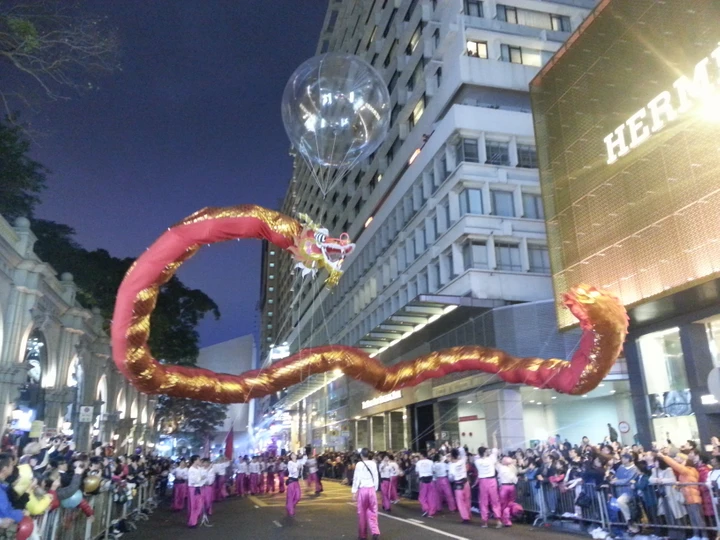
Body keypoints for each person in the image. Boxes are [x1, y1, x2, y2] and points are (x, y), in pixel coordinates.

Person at [474, 431, 501, 528]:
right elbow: (495, 447)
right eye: (487, 450)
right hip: (492, 481)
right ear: (485, 452)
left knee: (483, 502)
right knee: (495, 501)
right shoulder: (491, 458)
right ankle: (498, 520)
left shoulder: (477, 461)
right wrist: (493, 436)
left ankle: (484, 521)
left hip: (482, 482)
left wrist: (483, 447)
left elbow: (478, 454)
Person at [352, 448, 380, 540]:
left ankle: (363, 535)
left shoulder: (359, 464)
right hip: (371, 489)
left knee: (362, 513)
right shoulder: (373, 463)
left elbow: (356, 478)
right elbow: (376, 476)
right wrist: (375, 488)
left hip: (363, 490)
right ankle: (375, 531)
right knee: (373, 511)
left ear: (361, 455)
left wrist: (354, 491)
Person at [449, 448, 470, 522]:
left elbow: (451, 477)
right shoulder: (462, 461)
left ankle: (465, 517)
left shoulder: (451, 465)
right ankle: (468, 514)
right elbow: (463, 453)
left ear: (452, 456)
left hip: (458, 484)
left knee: (460, 502)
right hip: (465, 482)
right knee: (467, 499)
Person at [497, 456, 518, 527]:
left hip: (505, 487)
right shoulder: (511, 469)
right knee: (508, 504)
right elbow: (515, 480)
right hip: (510, 486)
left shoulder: (502, 468)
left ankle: (504, 519)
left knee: (504, 504)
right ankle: (506, 520)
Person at [285, 451, 307, 517]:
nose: (294, 455)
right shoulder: (290, 462)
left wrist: (305, 453)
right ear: (291, 457)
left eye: (294, 454)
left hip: (296, 481)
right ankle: (291, 510)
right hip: (291, 481)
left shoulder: (298, 461)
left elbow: (304, 461)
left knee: (298, 497)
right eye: (292, 454)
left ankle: (290, 506)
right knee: (290, 497)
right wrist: (296, 467)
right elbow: (291, 471)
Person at [416, 450, 436, 517]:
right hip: (430, 480)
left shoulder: (418, 463)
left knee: (422, 497)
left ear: (422, 455)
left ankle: (426, 508)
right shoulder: (431, 462)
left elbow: (417, 472)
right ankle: (431, 511)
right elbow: (433, 471)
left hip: (423, 480)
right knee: (431, 496)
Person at [187, 456, 206, 528]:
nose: (199, 461)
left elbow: (204, 476)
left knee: (199, 504)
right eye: (198, 460)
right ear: (194, 461)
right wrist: (200, 478)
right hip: (193, 488)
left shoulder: (199, 468)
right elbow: (193, 480)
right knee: (193, 505)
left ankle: (194, 519)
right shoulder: (191, 469)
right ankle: (192, 522)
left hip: (199, 487)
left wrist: (202, 480)